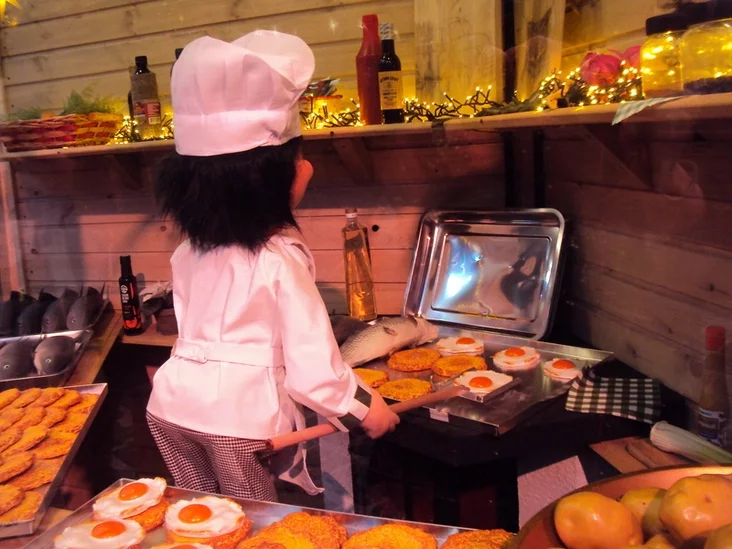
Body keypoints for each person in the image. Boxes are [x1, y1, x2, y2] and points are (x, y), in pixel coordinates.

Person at [146, 30, 400, 502]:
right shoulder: (278, 259)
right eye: (298, 159)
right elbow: (313, 370)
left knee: (200, 518)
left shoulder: (187, 251)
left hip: (169, 407)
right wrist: (367, 409)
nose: (308, 169)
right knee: (251, 522)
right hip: (237, 418)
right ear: (265, 182)